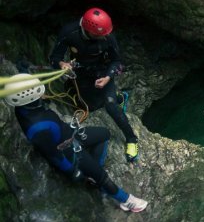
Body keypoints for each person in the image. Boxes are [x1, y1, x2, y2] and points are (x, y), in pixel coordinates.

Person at [3, 73, 148, 212]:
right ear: (29, 98)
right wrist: (71, 170)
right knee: (102, 178)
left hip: (71, 135)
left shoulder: (23, 108)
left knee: (104, 133)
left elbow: (40, 112)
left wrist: (41, 99)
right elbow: (53, 155)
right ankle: (127, 201)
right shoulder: (37, 129)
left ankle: (94, 170)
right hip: (69, 152)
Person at [49, 7, 139, 162]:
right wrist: (62, 64)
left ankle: (131, 139)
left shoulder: (108, 37)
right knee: (90, 107)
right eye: (100, 34)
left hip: (102, 72)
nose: (104, 36)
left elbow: (117, 62)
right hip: (81, 74)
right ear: (88, 29)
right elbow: (54, 57)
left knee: (109, 105)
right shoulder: (69, 33)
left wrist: (108, 77)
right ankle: (119, 97)